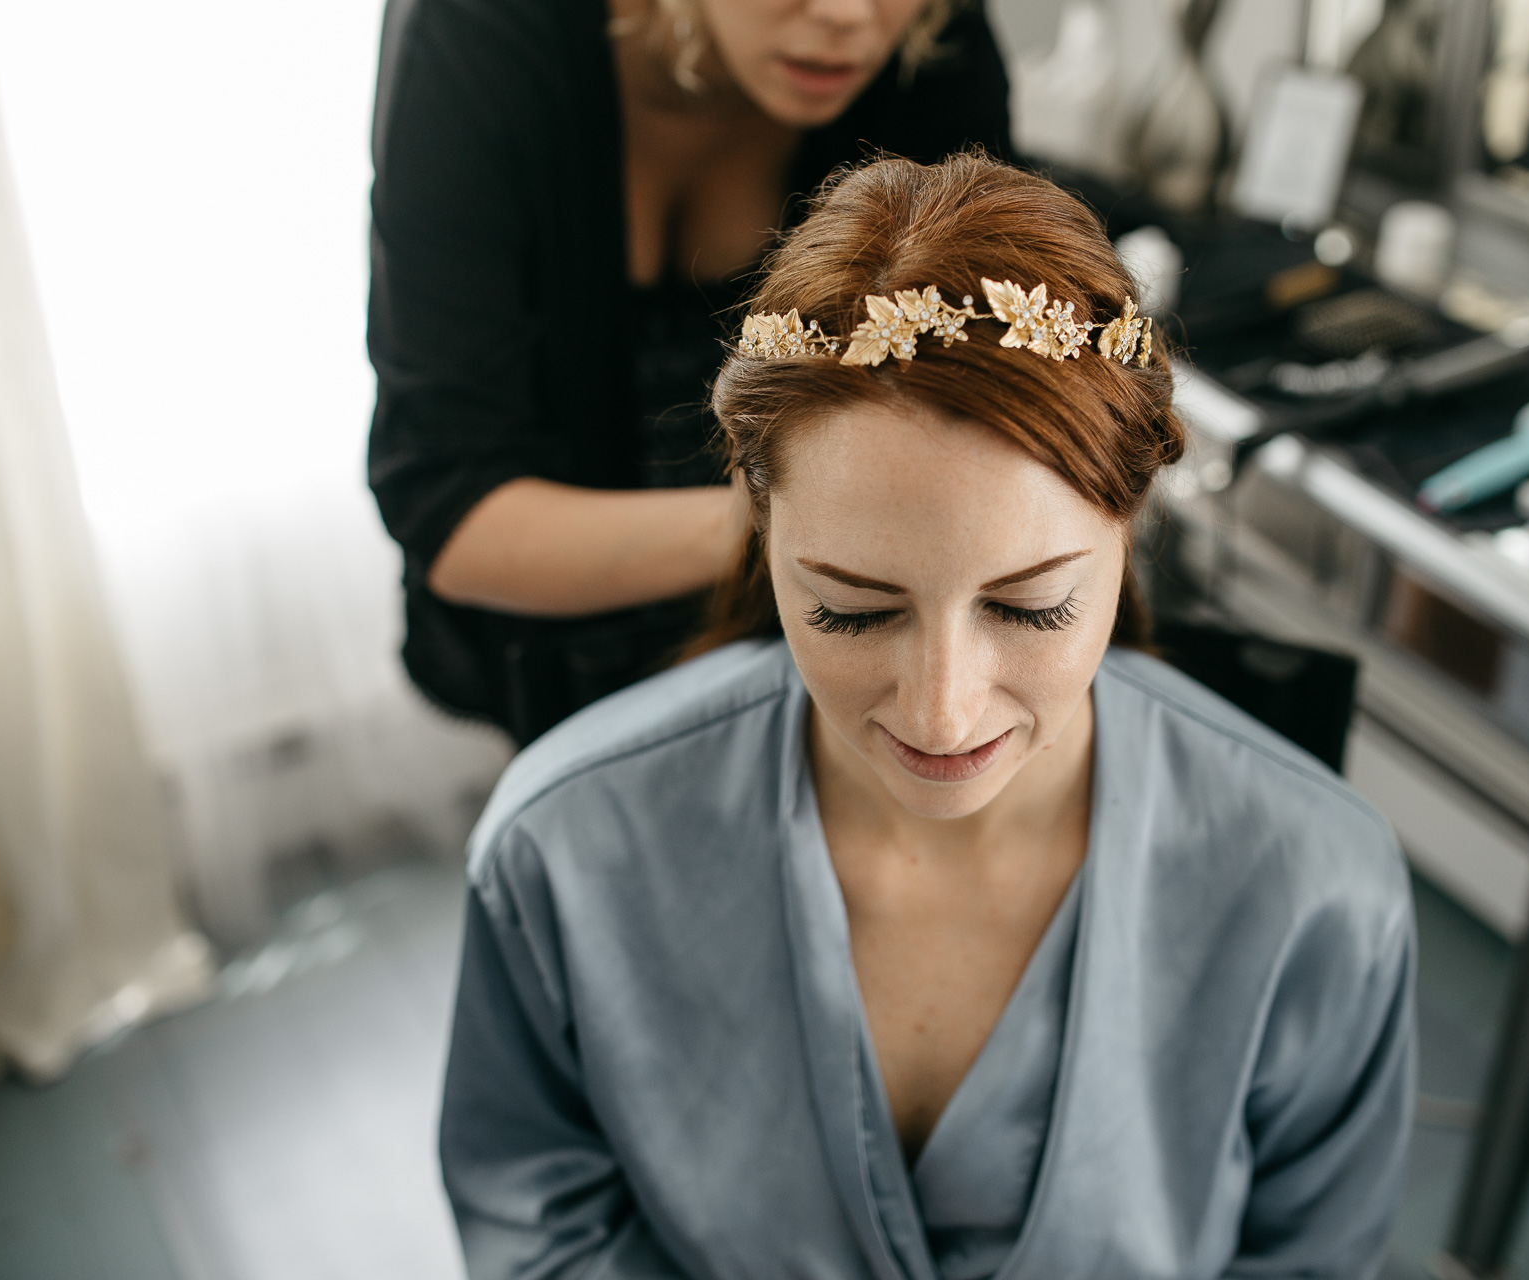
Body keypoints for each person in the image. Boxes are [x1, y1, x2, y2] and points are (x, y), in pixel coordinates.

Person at [438, 153, 1417, 1279]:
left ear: (1132, 521)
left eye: (1033, 605)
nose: (943, 714)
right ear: (758, 526)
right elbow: (540, 1236)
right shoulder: (560, 854)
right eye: (852, 611)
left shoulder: (1320, 887)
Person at [367, 0, 1013, 744]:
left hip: (847, 643)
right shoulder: (480, 29)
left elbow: (976, 378)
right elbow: (450, 507)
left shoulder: (933, 40)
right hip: (568, 641)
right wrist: (783, 523)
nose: (843, 13)